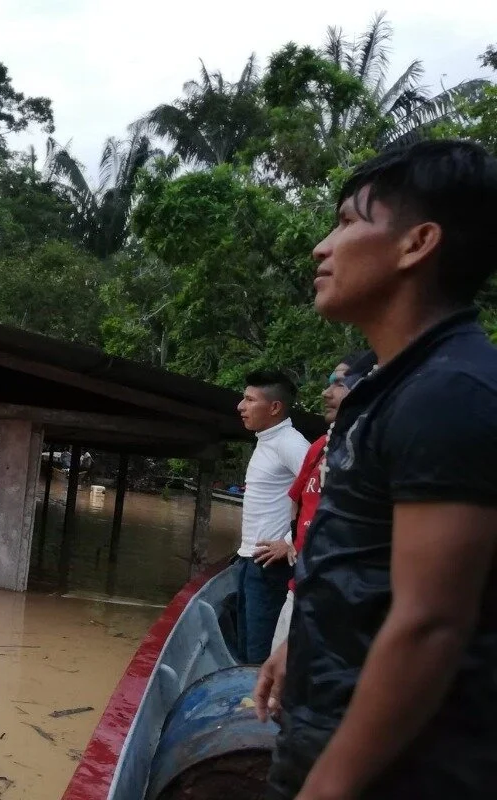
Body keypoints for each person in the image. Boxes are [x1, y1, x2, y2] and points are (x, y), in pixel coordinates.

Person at [254, 139, 497, 799]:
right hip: (336, 722)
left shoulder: (451, 393)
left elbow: (432, 622)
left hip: (399, 767)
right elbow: (370, 561)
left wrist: (329, 787)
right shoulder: (399, 386)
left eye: (346, 223)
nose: (322, 248)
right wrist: (304, 645)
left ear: (417, 243)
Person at [269, 352, 367, 654]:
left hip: (344, 601)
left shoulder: (377, 452)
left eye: (339, 383)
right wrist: (292, 541)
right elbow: (296, 499)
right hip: (299, 589)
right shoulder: (319, 448)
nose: (326, 392)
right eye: (329, 383)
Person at [235, 370, 310, 664]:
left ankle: (261, 695)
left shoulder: (290, 443)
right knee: (246, 646)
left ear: (275, 407)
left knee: (260, 653)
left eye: (250, 399)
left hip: (269, 566)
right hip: (249, 558)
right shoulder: (266, 441)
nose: (241, 406)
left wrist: (288, 541)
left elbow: (321, 495)